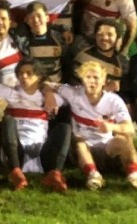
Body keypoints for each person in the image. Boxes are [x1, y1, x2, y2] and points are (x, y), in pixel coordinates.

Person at [0, 58, 71, 192]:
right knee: (8, 120)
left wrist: (49, 90)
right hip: (17, 152)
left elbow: (74, 92)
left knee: (65, 128)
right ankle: (15, 172)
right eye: (20, 73)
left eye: (29, 73)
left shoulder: (50, 99)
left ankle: (54, 173)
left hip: (41, 153)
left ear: (39, 76)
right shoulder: (11, 93)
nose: (24, 76)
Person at [53, 61, 137, 190]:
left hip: (107, 148)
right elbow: (48, 85)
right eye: (87, 77)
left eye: (96, 77)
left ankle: (133, 175)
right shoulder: (73, 93)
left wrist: (111, 127)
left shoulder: (113, 100)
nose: (92, 81)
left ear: (104, 81)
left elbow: (130, 128)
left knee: (125, 138)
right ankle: (93, 175)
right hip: (83, 150)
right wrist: (48, 93)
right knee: (79, 140)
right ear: (82, 80)